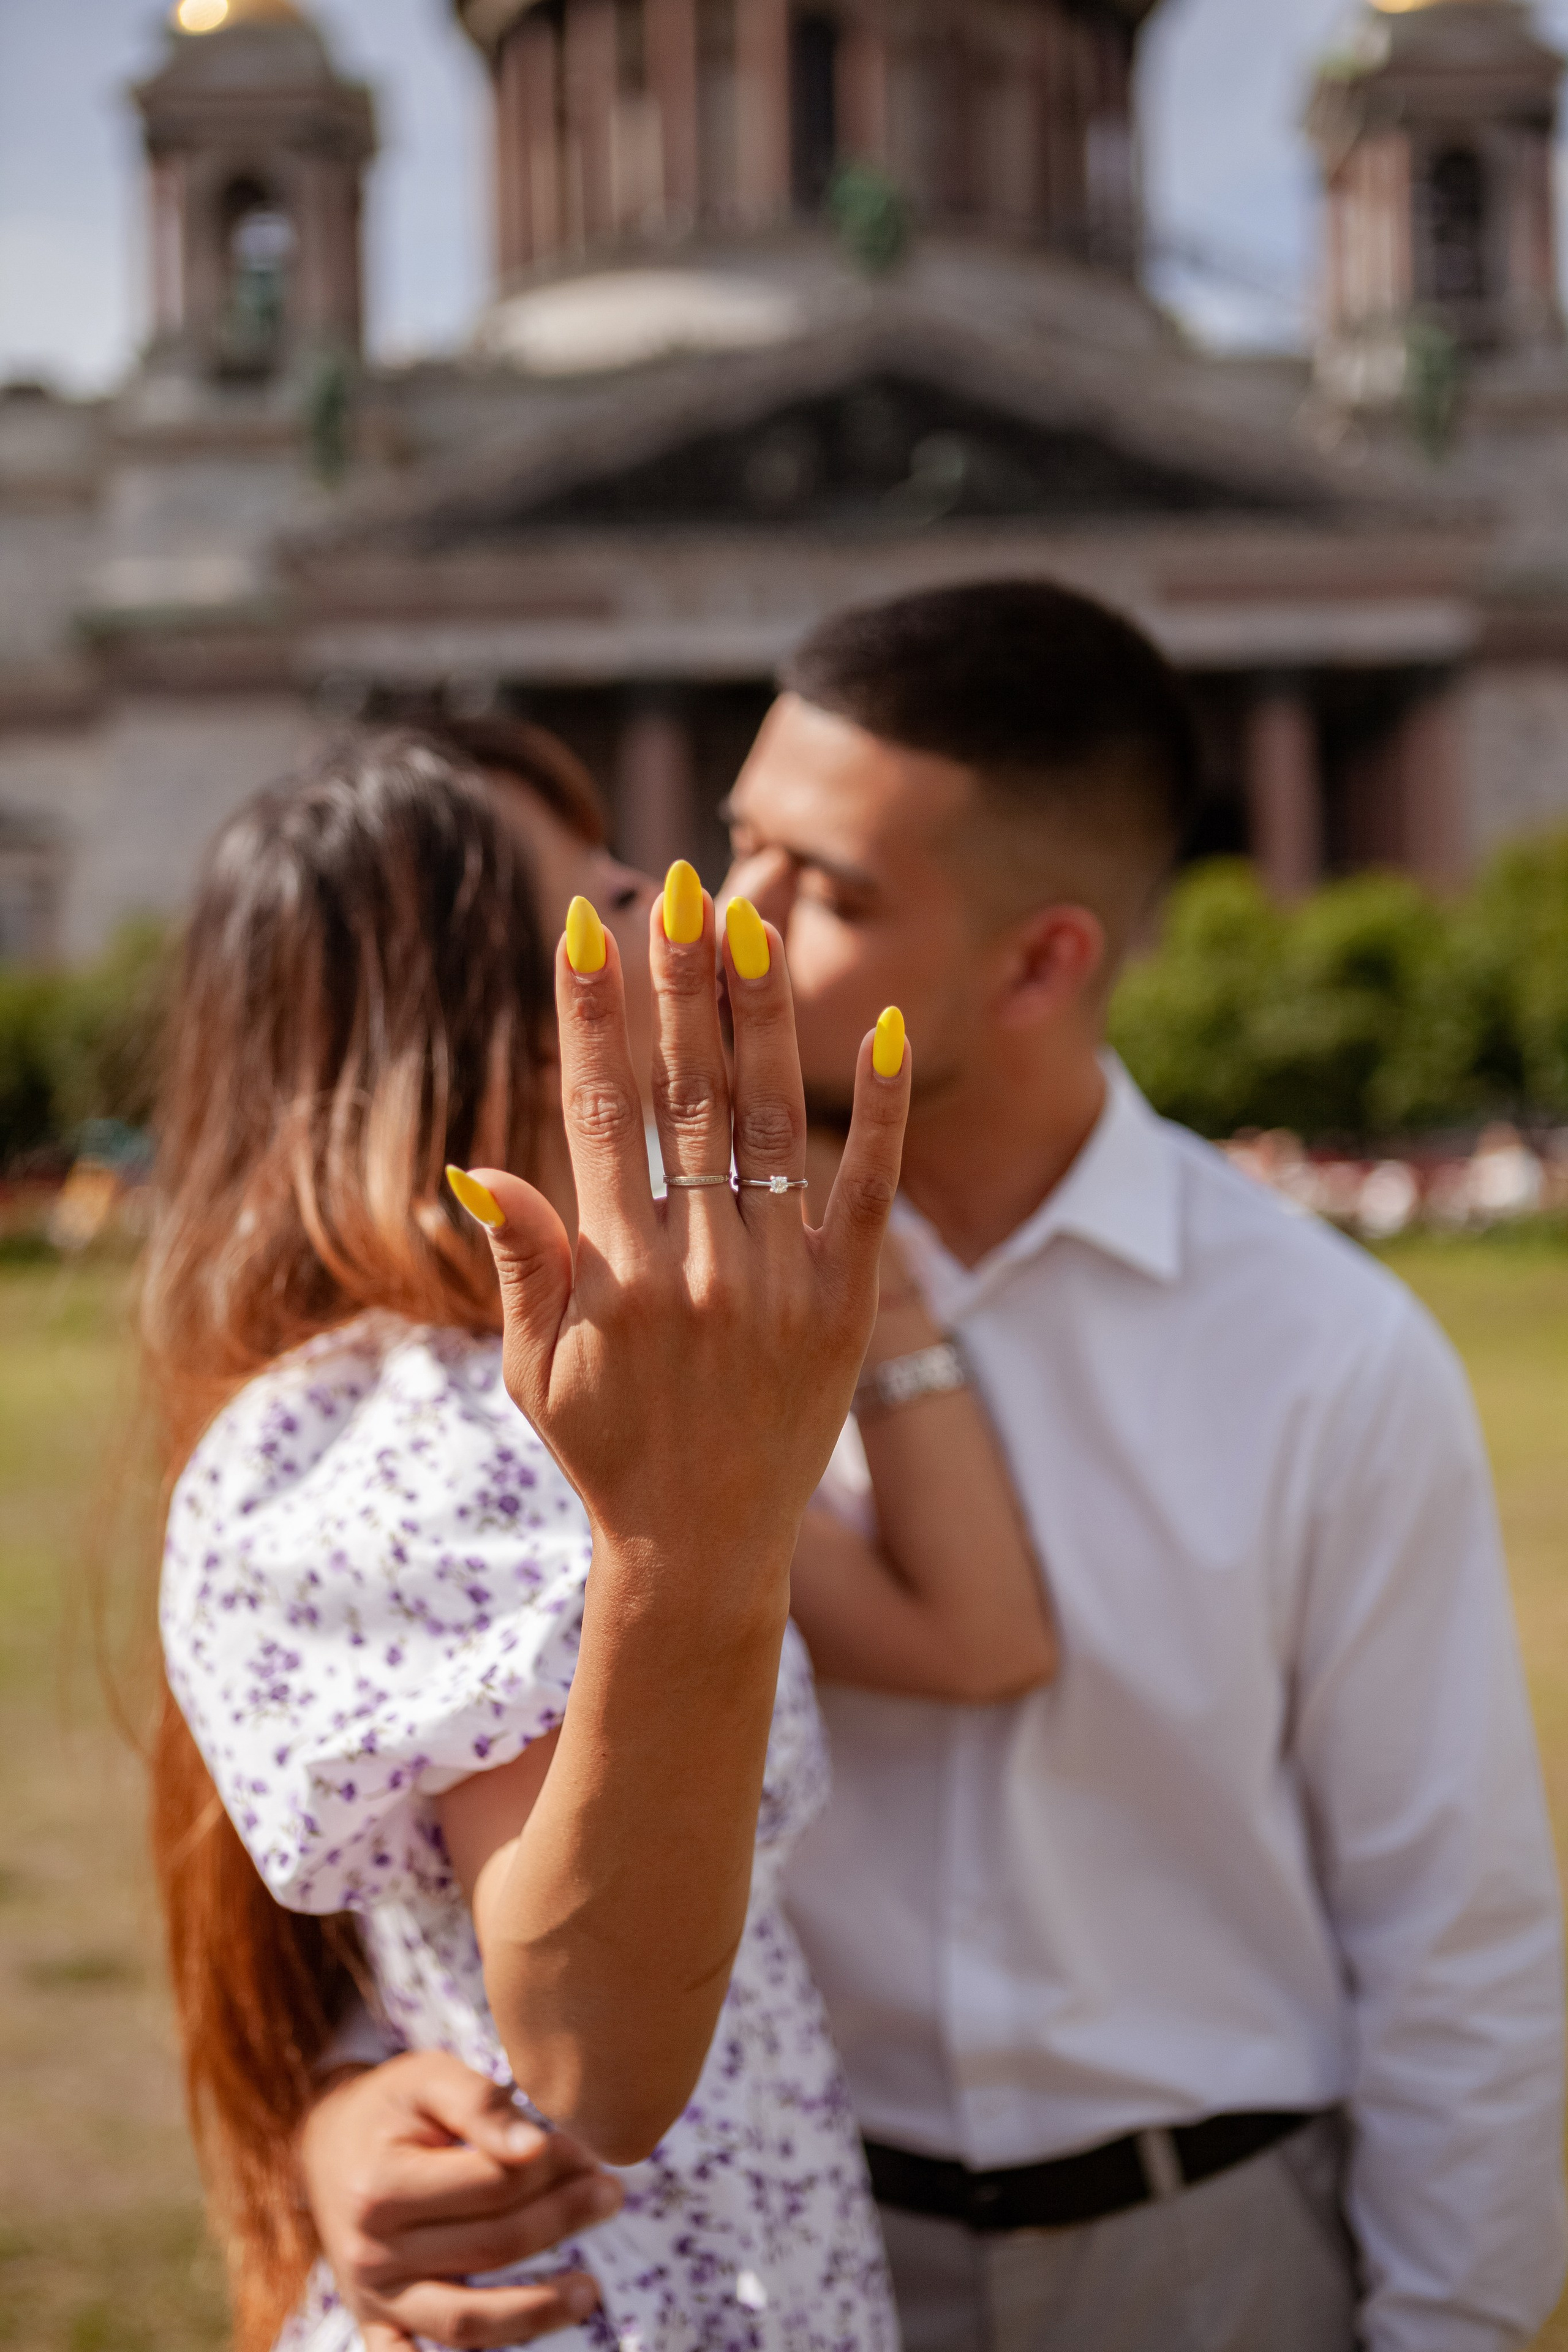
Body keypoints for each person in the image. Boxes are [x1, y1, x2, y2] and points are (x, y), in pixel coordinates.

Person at [306, 582, 1567, 2352]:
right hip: (787, 2249)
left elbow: (1454, 1937)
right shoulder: (601, 1310)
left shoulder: (1326, 1354)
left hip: (1204, 2259)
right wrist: (345, 2106)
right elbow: (416, 1820)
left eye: (824, 890)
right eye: (738, 845)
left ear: (1043, 959)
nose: (724, 923)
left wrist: (1449, 2327)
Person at [147, 729, 1055, 2352]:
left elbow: (977, 1639)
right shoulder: (418, 1432)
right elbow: (602, 2063)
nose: (680, 907)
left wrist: (876, 1294)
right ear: (479, 1011)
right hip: (597, 2294)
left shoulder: (601, 1398)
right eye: (608, 890)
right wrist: (683, 1544)